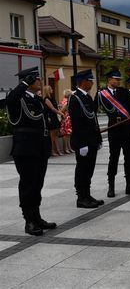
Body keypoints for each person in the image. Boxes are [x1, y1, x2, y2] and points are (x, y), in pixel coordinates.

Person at [6, 67, 56, 236]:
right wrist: (24, 83)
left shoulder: (36, 100)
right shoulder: (17, 99)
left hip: (40, 147)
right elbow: (10, 99)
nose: (41, 81)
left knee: (37, 184)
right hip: (25, 149)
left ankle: (37, 216)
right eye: (37, 79)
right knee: (28, 185)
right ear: (28, 81)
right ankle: (29, 221)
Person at [98, 70, 130, 197]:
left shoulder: (124, 92)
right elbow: (93, 110)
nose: (118, 81)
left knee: (129, 158)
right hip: (114, 130)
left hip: (127, 129)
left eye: (119, 79)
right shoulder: (101, 94)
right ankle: (111, 186)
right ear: (109, 80)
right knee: (113, 158)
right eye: (116, 79)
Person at [68, 69, 104, 208]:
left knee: (89, 169)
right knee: (82, 169)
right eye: (90, 80)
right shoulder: (75, 98)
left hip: (92, 140)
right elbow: (77, 123)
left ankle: (87, 194)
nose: (92, 83)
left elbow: (93, 119)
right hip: (83, 141)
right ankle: (81, 197)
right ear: (83, 81)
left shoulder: (87, 97)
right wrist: (82, 143)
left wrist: (98, 139)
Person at [43, 85, 64, 156]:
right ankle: (52, 151)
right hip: (50, 117)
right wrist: (61, 113)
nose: (52, 89)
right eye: (51, 88)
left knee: (56, 135)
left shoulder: (52, 98)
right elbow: (52, 108)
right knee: (52, 136)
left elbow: (56, 107)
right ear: (48, 90)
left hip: (54, 117)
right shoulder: (46, 99)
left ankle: (58, 150)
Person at [59, 89, 74, 154]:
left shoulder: (66, 100)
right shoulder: (66, 101)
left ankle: (69, 147)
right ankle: (66, 148)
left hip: (68, 118)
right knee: (66, 134)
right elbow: (62, 110)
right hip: (66, 119)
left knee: (69, 134)